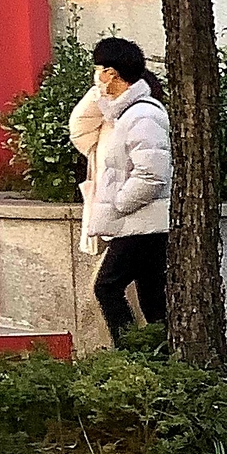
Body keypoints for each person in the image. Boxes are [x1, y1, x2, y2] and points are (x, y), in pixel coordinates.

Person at [70, 37, 171, 342]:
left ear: (112, 73)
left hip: (142, 225)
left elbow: (152, 176)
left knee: (108, 286)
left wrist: (118, 205)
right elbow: (80, 126)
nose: (96, 77)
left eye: (99, 70)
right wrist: (101, 96)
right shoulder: (119, 115)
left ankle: (133, 353)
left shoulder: (143, 115)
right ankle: (158, 355)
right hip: (139, 224)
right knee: (152, 295)